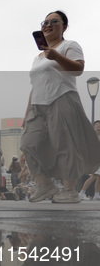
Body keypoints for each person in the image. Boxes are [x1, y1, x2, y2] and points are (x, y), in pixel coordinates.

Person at [21, 11, 100, 204]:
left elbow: (78, 69)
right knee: (28, 143)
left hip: (62, 98)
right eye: (45, 22)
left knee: (65, 145)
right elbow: (35, 85)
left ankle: (69, 190)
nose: (48, 25)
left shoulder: (69, 45)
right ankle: (45, 184)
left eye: (54, 21)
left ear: (64, 27)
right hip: (38, 105)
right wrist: (27, 113)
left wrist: (55, 55)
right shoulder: (39, 56)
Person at [78, 120, 100, 201]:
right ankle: (82, 193)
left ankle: (96, 194)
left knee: (99, 177)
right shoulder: (91, 136)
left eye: (99, 125)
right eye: (97, 125)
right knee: (94, 176)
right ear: (93, 127)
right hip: (94, 160)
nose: (98, 126)